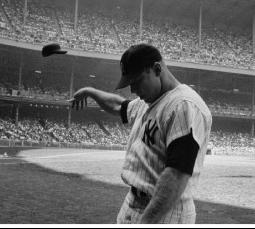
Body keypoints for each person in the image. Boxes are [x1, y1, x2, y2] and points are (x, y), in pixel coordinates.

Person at [69, 44, 212, 224]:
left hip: (165, 211)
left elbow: (177, 175)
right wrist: (91, 92)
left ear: (156, 69)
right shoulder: (149, 100)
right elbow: (118, 106)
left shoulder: (184, 105)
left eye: (136, 81)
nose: (132, 89)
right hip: (135, 202)